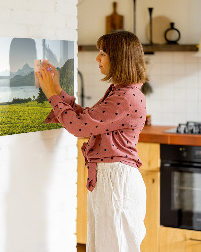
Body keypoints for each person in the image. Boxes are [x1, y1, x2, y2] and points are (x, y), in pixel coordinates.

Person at [36, 30, 148, 252]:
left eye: (103, 53)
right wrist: (57, 89)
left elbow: (79, 127)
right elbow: (87, 119)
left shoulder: (125, 97)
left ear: (119, 58)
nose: (97, 58)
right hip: (111, 180)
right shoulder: (121, 92)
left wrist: (51, 94)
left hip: (116, 182)